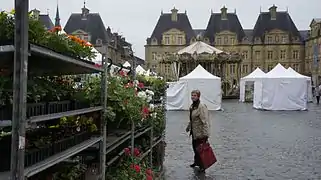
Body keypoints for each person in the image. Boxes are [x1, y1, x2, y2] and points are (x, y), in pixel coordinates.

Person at [185, 90, 210, 173]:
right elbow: (192, 119)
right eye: (192, 95)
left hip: (200, 133)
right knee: (195, 148)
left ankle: (202, 165)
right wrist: (188, 127)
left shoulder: (201, 107)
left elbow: (205, 121)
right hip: (194, 132)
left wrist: (206, 134)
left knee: (200, 150)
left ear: (198, 96)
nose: (193, 97)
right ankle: (196, 162)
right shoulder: (192, 106)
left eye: (195, 95)